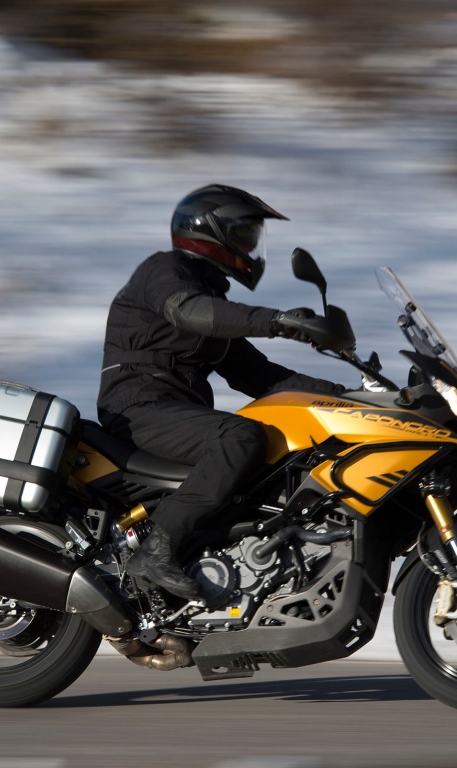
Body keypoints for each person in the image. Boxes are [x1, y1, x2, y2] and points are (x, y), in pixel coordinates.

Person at [97, 184, 345, 600]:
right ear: (210, 235)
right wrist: (279, 321)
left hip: (172, 413)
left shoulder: (211, 303)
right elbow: (188, 311)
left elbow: (263, 377)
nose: (250, 248)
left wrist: (349, 397)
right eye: (244, 236)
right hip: (139, 408)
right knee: (242, 435)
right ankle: (157, 550)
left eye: (252, 238)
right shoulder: (165, 271)